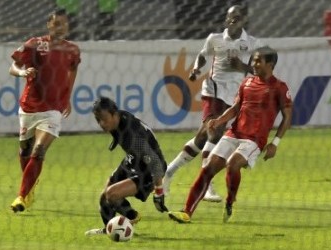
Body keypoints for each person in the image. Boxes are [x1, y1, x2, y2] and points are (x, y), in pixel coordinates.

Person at [168, 46, 293, 223]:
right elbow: (235, 108)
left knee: (232, 165)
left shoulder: (279, 87)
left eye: (258, 61)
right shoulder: (247, 83)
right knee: (208, 168)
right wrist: (218, 121)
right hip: (233, 133)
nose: (254, 64)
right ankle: (187, 212)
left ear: (270, 64)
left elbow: (287, 116)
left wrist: (275, 143)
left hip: (254, 140)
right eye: (253, 60)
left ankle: (230, 199)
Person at [163, 5, 263, 202]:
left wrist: (242, 66)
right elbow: (202, 55)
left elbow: (260, 70)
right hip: (213, 90)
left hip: (235, 96)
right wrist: (195, 69)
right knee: (214, 131)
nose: (233, 20)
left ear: (244, 20)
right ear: (225, 19)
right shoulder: (214, 39)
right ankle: (206, 185)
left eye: (237, 17)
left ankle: (168, 172)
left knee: (202, 138)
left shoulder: (252, 43)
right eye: (230, 17)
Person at [9, 8, 81, 212]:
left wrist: (67, 97)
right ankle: (30, 187)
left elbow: (73, 69)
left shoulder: (73, 50)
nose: (61, 27)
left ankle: (21, 197)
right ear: (49, 25)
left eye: (64, 24)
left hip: (53, 109)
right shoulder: (35, 44)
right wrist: (23, 72)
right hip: (29, 107)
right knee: (24, 150)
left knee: (39, 150)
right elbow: (12, 66)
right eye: (56, 23)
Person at [85, 96, 168, 236]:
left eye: (104, 119)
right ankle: (109, 231)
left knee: (111, 194)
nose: (101, 123)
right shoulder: (118, 119)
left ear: (114, 114)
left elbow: (155, 163)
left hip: (149, 170)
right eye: (98, 120)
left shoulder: (133, 136)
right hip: (133, 160)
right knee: (103, 197)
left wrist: (159, 193)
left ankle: (132, 216)